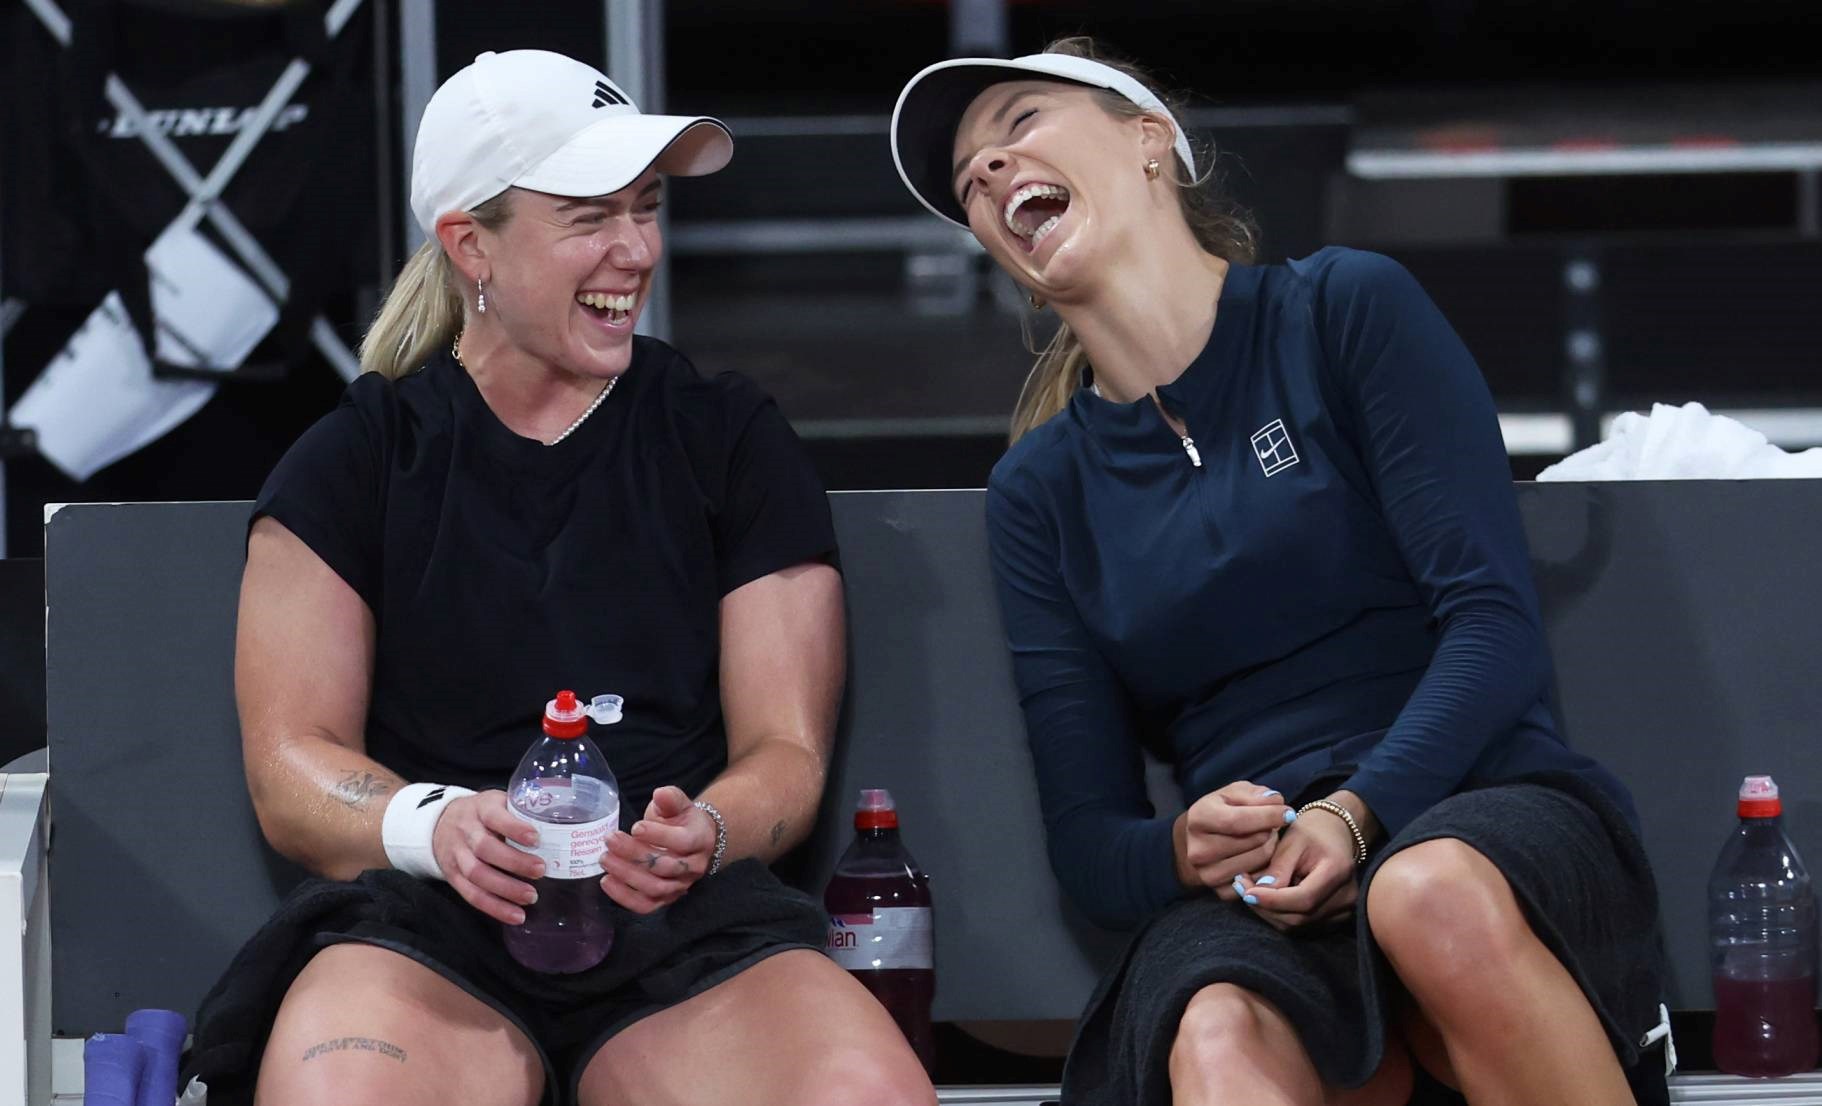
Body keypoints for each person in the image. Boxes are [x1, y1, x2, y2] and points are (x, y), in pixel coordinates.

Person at [890, 37, 1668, 1106]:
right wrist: (1181, 849)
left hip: (1471, 801)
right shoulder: (1039, 489)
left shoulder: (1342, 308)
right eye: (966, 175)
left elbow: (1491, 623)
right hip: (1261, 889)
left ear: (1148, 136)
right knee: (1212, 1033)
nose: (983, 170)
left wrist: (1355, 812)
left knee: (1425, 892)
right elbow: (1089, 842)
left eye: (1017, 122)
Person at [192, 49, 936, 1106]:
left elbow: (786, 752)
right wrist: (434, 821)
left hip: (681, 931)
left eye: (646, 206)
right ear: (470, 247)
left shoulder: (725, 438)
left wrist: (707, 828)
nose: (634, 248)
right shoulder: (357, 458)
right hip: (427, 926)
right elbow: (290, 765)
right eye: (589, 216)